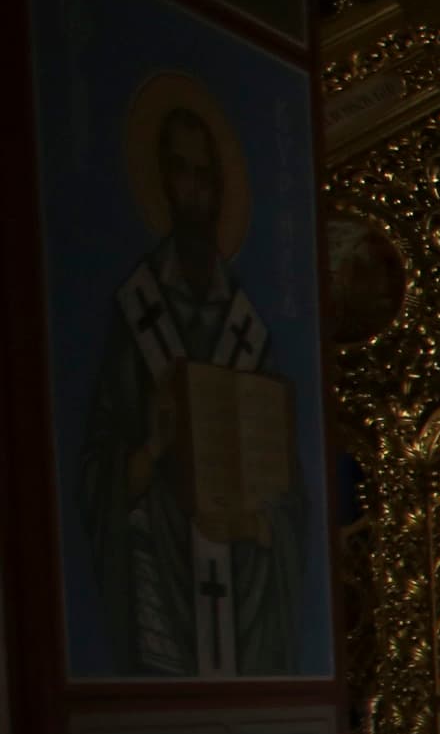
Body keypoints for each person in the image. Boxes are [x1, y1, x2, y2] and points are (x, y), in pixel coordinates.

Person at [76, 95, 304, 676]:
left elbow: (293, 494)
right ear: (163, 182)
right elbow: (97, 469)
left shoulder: (248, 326)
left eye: (207, 175)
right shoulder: (137, 315)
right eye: (181, 172)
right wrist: (150, 450)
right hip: (163, 578)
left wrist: (259, 524)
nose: (196, 192)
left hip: (244, 590)